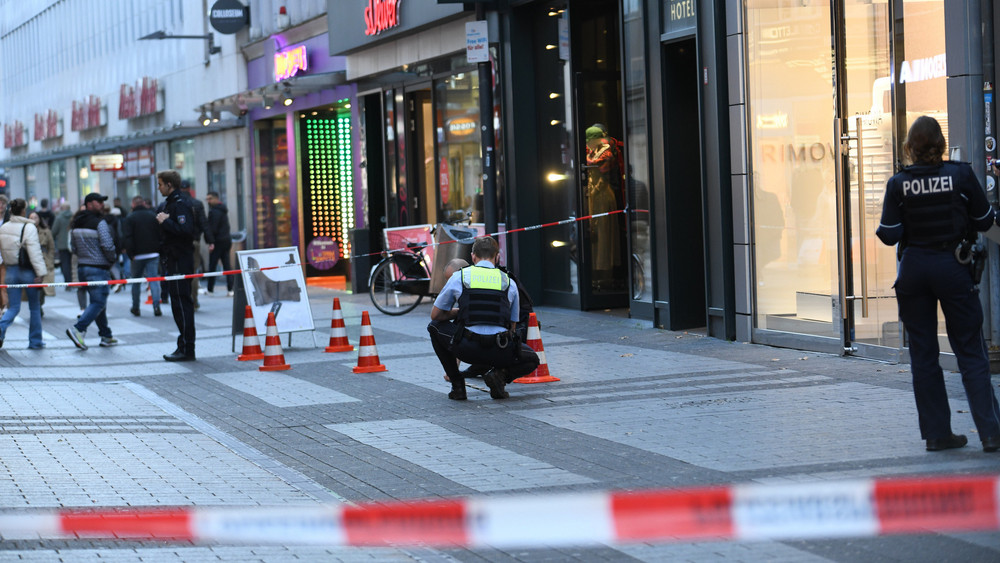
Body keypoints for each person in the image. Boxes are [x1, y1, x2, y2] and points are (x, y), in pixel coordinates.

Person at [876, 115, 1000, 453]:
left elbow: (888, 235)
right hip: (952, 267)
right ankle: (990, 433)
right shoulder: (959, 174)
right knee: (970, 351)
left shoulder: (898, 183)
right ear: (941, 145)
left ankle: (936, 434)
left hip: (914, 270)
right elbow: (985, 220)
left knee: (923, 353)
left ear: (909, 148)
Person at [428, 236, 539, 401]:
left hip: (467, 349)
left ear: (473, 256)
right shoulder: (508, 281)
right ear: (497, 257)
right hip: (499, 350)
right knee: (532, 359)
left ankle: (457, 385)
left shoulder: (460, 277)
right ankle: (499, 376)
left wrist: (459, 312)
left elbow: (436, 315)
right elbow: (512, 327)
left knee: (434, 326)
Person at [66, 193, 118, 350]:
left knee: (98, 302)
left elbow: (73, 247)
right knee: (99, 302)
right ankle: (78, 329)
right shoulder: (99, 223)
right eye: (99, 201)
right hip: (98, 269)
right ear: (89, 204)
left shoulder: (76, 223)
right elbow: (108, 245)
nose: (102, 204)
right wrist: (112, 259)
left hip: (83, 267)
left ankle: (106, 335)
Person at [157, 170, 197, 362]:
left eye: (160, 184)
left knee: (181, 303)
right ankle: (184, 345)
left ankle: (187, 347)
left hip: (180, 259)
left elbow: (185, 230)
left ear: (169, 185)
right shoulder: (172, 203)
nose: (159, 188)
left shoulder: (180, 204)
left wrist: (166, 222)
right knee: (177, 303)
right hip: (174, 259)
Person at [0, 199, 46, 349]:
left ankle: (1, 328)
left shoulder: (4, 227)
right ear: (23, 211)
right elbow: (34, 252)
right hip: (28, 271)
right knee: (34, 307)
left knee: (13, 308)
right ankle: (35, 341)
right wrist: (40, 272)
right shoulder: (29, 227)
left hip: (11, 270)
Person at [121, 195, 162, 317]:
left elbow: (128, 238)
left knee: (136, 282)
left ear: (133, 204)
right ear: (143, 203)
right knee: (153, 280)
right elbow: (160, 233)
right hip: (153, 253)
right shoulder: (152, 216)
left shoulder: (130, 218)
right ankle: (156, 306)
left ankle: (136, 307)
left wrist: (130, 254)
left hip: (137, 255)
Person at [181, 180, 213, 309]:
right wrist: (210, 241)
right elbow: (204, 223)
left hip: (179, 243)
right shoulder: (197, 204)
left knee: (180, 272)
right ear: (189, 188)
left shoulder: (173, 204)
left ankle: (183, 301)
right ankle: (193, 301)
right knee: (193, 272)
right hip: (194, 241)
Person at [205, 191, 233, 295]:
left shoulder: (214, 212)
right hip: (226, 240)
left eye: (210, 199)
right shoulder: (222, 209)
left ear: (216, 199)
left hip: (218, 241)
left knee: (212, 265)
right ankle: (230, 288)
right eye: (207, 199)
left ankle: (210, 289)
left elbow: (213, 228)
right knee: (227, 265)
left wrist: (210, 242)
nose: (208, 201)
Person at [29, 211, 56, 316]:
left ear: (39, 219)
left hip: (44, 260)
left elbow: (51, 247)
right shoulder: (26, 231)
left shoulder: (46, 231)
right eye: (31, 217)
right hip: (31, 262)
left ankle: (39, 304)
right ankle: (36, 306)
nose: (34, 220)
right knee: (34, 286)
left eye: (35, 217)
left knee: (43, 287)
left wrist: (50, 259)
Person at [51, 203, 73, 288]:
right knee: (72, 263)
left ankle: (67, 282)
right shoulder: (73, 216)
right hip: (72, 244)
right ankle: (73, 281)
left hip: (62, 244)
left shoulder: (59, 218)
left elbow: (54, 231)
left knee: (65, 264)